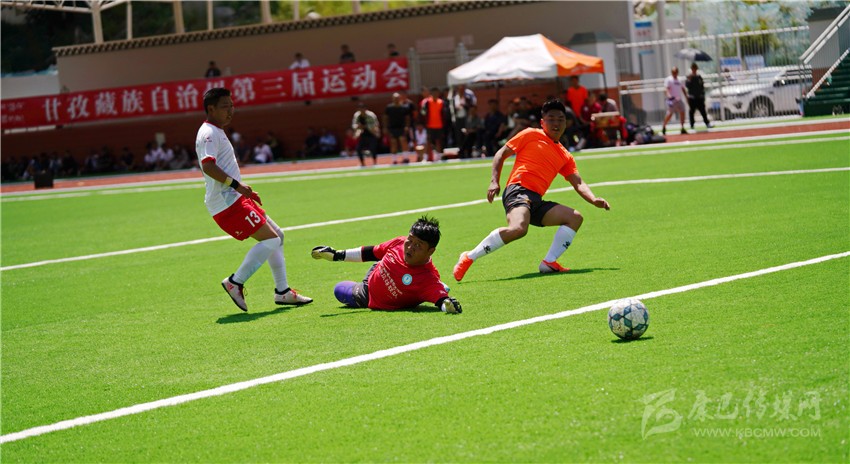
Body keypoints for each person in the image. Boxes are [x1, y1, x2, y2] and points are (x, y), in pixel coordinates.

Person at [453, 100, 611, 281]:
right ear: (542, 122)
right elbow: (500, 154)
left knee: (575, 218)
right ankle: (469, 257)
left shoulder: (565, 155)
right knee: (519, 228)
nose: (556, 123)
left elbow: (579, 182)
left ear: (566, 123)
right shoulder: (530, 134)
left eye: (560, 119)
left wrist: (593, 199)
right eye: (551, 119)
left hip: (535, 200)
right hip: (518, 190)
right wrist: (494, 181)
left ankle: (549, 262)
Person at [195, 87, 312, 311]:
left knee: (278, 235)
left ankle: (283, 292)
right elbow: (208, 166)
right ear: (211, 109)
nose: (230, 111)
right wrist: (237, 186)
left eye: (232, 106)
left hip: (235, 197)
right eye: (225, 107)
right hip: (227, 202)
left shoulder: (216, 130)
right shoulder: (208, 133)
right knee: (271, 240)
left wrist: (241, 190)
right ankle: (235, 282)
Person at [311, 216, 461, 313]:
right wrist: (337, 255)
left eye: (418, 245)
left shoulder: (427, 279)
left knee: (339, 289)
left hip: (367, 295)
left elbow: (443, 302)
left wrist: (448, 305)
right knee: (380, 258)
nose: (410, 247)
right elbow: (371, 252)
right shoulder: (399, 242)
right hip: (375, 272)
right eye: (410, 240)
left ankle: (440, 286)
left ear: (431, 251)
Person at [383, 92, 411, 163]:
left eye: (397, 98)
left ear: (399, 98)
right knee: (393, 143)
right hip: (392, 128)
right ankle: (394, 159)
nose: (396, 99)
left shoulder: (404, 107)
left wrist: (407, 126)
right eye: (395, 98)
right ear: (392, 99)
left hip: (401, 127)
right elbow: (385, 118)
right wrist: (385, 127)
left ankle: (406, 158)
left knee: (403, 141)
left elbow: (407, 118)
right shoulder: (389, 108)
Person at [420, 87, 445, 162]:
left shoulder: (441, 102)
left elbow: (443, 113)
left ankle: (438, 157)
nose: (435, 95)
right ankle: (425, 157)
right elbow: (423, 112)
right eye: (434, 93)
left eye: (436, 93)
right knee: (428, 142)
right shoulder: (427, 102)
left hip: (439, 125)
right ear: (431, 94)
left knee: (438, 141)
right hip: (429, 125)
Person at [352, 102, 381, 166]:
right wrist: (357, 127)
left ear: (365, 109)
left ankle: (375, 162)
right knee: (358, 149)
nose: (362, 110)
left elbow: (375, 125)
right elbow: (354, 125)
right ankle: (362, 163)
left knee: (373, 148)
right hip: (362, 134)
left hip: (372, 133)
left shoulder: (371, 115)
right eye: (360, 109)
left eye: (363, 109)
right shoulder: (357, 115)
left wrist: (365, 126)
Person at [662, 66, 688, 135]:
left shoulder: (680, 80)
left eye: (676, 72)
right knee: (670, 114)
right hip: (672, 100)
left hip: (679, 99)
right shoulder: (668, 79)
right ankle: (664, 126)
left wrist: (686, 97)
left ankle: (682, 127)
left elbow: (683, 89)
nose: (674, 73)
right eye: (673, 72)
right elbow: (666, 89)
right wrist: (669, 96)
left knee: (682, 112)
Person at [686, 63, 712, 130]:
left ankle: (707, 123)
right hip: (692, 97)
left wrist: (702, 95)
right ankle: (692, 125)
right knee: (692, 112)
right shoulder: (689, 77)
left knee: (703, 111)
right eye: (693, 68)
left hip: (699, 97)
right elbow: (687, 86)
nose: (694, 70)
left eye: (695, 68)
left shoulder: (699, 77)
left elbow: (702, 86)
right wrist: (689, 79)